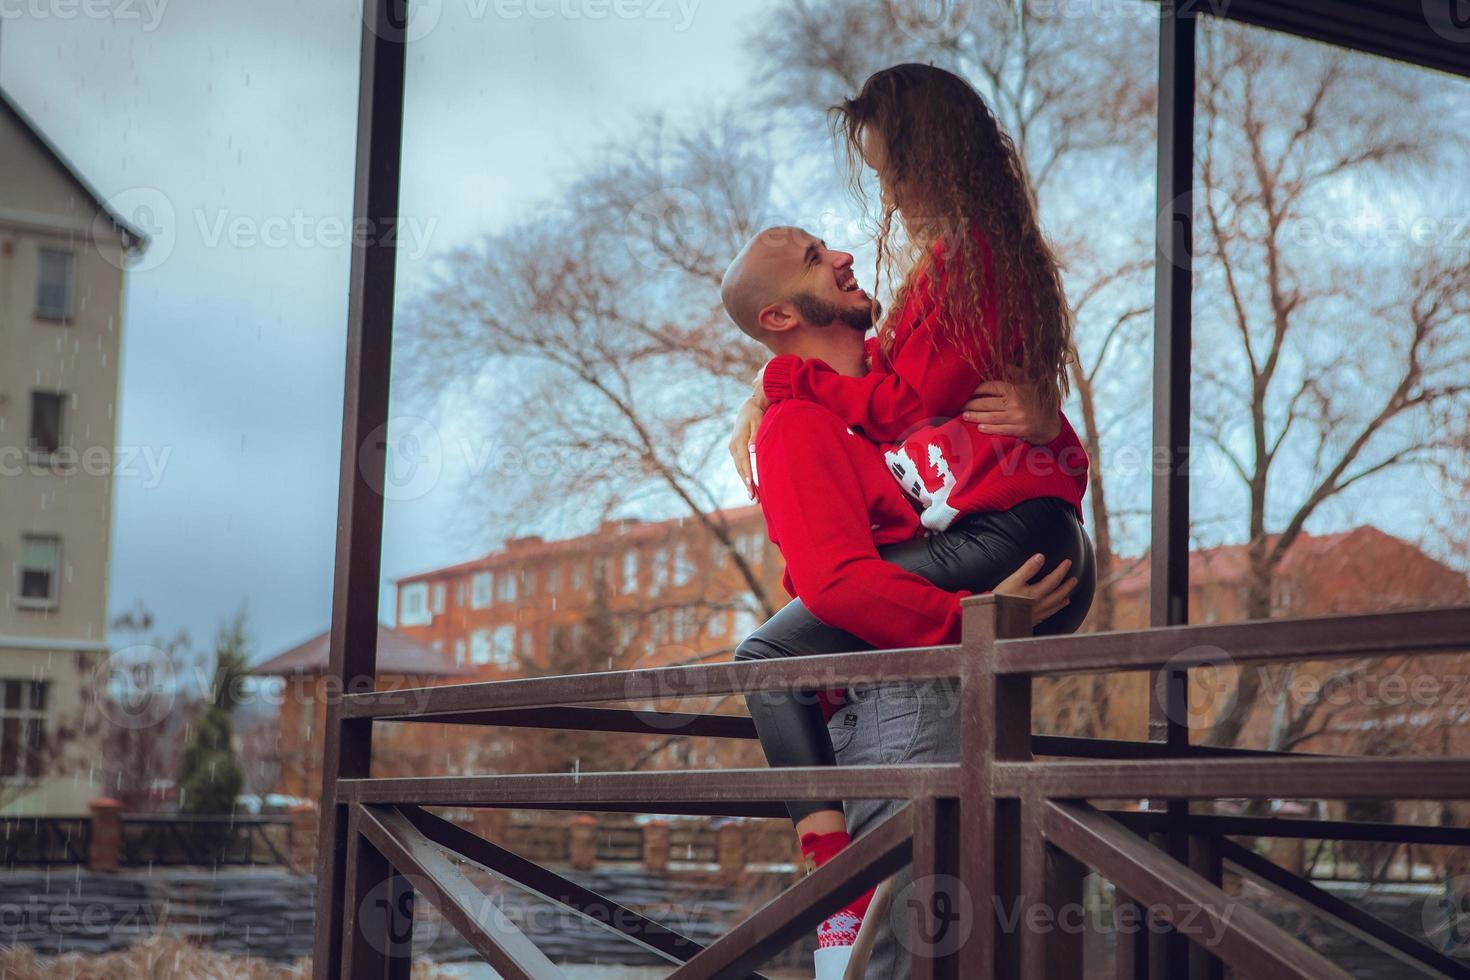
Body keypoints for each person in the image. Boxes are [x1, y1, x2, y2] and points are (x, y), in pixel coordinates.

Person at [720, 225, 1096, 977]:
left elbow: (997, 476)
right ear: (780, 318)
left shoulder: (891, 402)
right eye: (813, 260)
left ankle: (843, 906)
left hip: (954, 698)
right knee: (908, 954)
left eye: (829, 246)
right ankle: (837, 896)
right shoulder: (800, 425)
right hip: (898, 709)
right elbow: (834, 580)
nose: (843, 256)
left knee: (968, 949)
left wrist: (1046, 421)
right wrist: (972, 625)